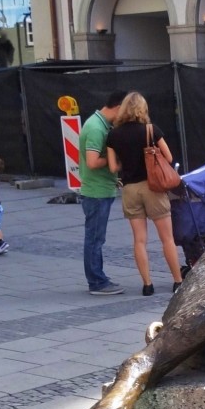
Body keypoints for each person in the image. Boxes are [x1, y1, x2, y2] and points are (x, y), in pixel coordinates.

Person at [105, 91, 184, 296]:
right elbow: (168, 157)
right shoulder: (151, 130)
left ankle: (147, 285)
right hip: (153, 188)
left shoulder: (113, 135)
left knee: (139, 240)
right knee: (166, 238)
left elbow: (113, 167)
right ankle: (177, 281)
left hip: (130, 190)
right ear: (143, 108)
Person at [78, 91, 126, 295]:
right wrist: (115, 160)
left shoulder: (98, 124)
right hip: (96, 192)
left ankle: (97, 278)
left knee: (95, 238)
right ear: (117, 108)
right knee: (95, 239)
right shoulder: (97, 128)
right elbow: (92, 161)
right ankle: (97, 282)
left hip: (98, 189)